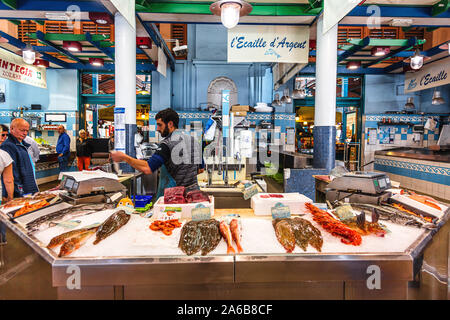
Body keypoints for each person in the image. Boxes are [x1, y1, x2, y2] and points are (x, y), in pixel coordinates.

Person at [110, 108, 203, 199]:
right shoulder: (193, 140)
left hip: (176, 198)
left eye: (160, 125)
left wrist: (124, 157)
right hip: (194, 195)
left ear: (170, 124)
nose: (157, 129)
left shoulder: (167, 144)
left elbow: (147, 168)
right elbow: (200, 170)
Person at [0, 118, 38, 199]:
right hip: (19, 191)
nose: (25, 133)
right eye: (22, 130)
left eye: (27, 131)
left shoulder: (22, 144)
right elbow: (11, 175)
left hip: (28, 188)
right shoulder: (8, 146)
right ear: (12, 129)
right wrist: (15, 194)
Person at [0, 124, 14, 244]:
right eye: (2, 135)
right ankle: (2, 239)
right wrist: (10, 198)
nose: (4, 137)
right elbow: (8, 180)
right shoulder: (4, 156)